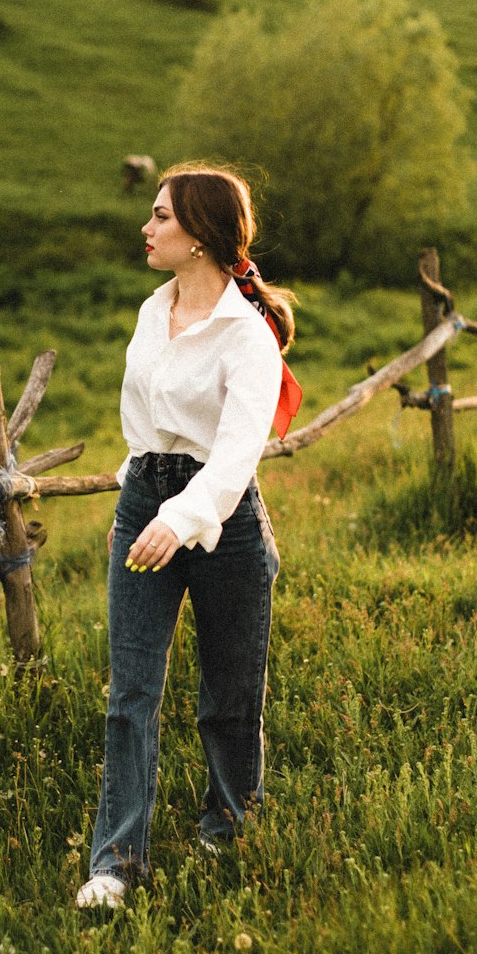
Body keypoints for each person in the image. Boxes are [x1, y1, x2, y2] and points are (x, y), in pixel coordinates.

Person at [77, 163, 301, 908]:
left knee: (230, 692)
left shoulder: (249, 337)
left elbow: (237, 457)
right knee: (130, 690)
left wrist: (179, 521)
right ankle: (116, 861)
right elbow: (143, 425)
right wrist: (132, 510)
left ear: (201, 236)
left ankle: (227, 830)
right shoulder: (151, 311)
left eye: (161, 217)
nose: (147, 228)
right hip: (147, 497)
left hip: (222, 519)